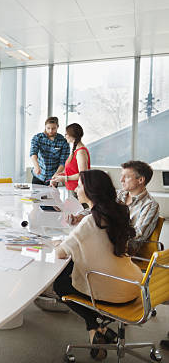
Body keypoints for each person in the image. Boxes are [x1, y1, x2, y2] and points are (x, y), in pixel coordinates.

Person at [53, 170, 143, 360]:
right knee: (71, 269)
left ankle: (94, 325)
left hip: (113, 293)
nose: (76, 189)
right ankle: (98, 329)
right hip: (134, 286)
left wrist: (59, 243)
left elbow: (60, 253)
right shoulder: (117, 213)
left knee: (59, 283)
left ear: (91, 191)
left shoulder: (90, 221)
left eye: (79, 186)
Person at [67, 160, 160, 250]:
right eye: (121, 176)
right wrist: (79, 216)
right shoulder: (118, 194)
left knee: (73, 249)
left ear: (140, 180)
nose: (121, 180)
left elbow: (138, 236)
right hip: (105, 243)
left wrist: (104, 239)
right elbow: (98, 208)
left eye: (126, 177)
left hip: (123, 251)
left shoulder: (150, 205)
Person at [50, 123, 90, 195]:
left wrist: (65, 178)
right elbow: (73, 171)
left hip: (78, 190)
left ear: (72, 135)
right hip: (72, 189)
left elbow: (83, 174)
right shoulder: (75, 150)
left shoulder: (81, 152)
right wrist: (60, 176)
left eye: (66, 134)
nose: (65, 137)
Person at [30, 116, 70, 185]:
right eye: (48, 128)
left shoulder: (63, 141)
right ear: (45, 126)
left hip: (53, 177)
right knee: (35, 196)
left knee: (51, 196)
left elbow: (63, 162)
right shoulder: (37, 138)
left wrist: (56, 175)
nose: (50, 131)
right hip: (38, 175)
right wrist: (36, 166)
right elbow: (33, 153)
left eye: (53, 128)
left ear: (57, 127)